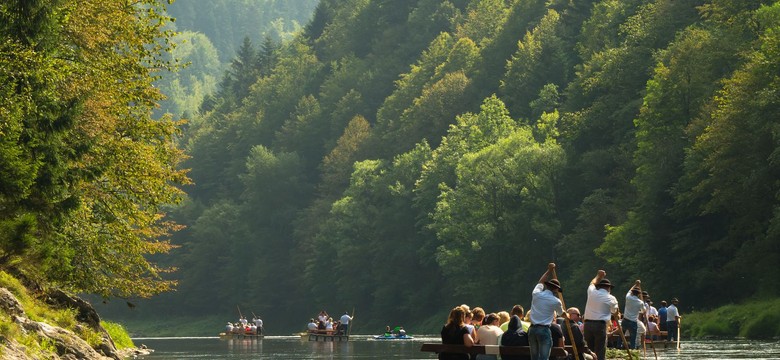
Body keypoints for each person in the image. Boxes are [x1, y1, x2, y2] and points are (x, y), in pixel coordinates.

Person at [528, 263, 566, 360]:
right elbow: (562, 314)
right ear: (556, 289)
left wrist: (549, 270)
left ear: (547, 286)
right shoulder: (556, 301)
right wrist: (567, 315)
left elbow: (540, 282)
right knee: (544, 358)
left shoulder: (536, 293)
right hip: (544, 329)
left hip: (532, 329)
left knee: (534, 358)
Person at [583, 270, 618, 360]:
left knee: (589, 350)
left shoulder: (592, 292)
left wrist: (598, 275)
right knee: (600, 350)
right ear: (608, 288)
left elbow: (592, 282)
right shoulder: (611, 298)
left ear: (599, 287)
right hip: (600, 325)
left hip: (587, 325)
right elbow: (615, 312)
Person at [622, 280, 643, 349]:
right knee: (633, 338)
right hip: (633, 322)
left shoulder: (628, 297)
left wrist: (635, 284)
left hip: (625, 320)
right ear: (638, 294)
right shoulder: (640, 302)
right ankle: (632, 350)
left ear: (632, 293)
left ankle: (619, 347)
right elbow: (643, 311)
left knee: (621, 336)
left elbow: (629, 291)